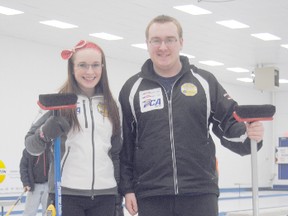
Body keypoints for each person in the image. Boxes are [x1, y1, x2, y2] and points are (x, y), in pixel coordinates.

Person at [118, 15, 265, 216]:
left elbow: (229, 123)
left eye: (170, 39)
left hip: (200, 191)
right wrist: (127, 188)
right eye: (156, 40)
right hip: (152, 194)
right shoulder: (132, 89)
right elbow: (126, 144)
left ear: (181, 42)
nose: (163, 47)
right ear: (147, 44)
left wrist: (248, 133)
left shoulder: (204, 82)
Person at [25, 40, 124, 216]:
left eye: (95, 65)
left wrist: (118, 193)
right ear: (72, 68)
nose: (90, 72)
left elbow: (116, 153)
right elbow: (31, 146)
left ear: (102, 68)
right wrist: (44, 134)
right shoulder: (58, 102)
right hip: (66, 194)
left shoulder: (112, 105)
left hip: (106, 195)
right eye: (82, 65)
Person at [20, 148, 50, 216]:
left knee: (48, 213)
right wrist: (26, 183)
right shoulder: (28, 150)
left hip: (48, 186)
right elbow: (23, 167)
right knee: (29, 213)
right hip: (33, 186)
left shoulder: (50, 148)